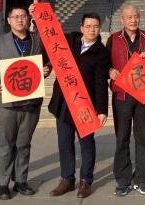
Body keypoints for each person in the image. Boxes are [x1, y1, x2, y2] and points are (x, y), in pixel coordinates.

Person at [0, 5, 50, 200]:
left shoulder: (38, 40)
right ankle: (2, 183)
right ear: (8, 20)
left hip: (31, 101)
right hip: (6, 102)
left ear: (28, 19)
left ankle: (21, 180)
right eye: (15, 17)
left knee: (24, 143)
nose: (20, 19)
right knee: (5, 143)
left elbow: (49, 60)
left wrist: (47, 69)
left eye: (23, 16)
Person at [48, 12, 109, 198]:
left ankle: (85, 181)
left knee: (87, 143)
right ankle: (67, 179)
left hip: (85, 105)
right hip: (63, 102)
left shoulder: (101, 52)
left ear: (100, 29)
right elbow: (50, 35)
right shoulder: (71, 40)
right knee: (64, 142)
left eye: (95, 27)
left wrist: (102, 110)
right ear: (81, 27)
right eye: (88, 26)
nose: (92, 30)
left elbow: (100, 82)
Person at [106, 4, 145, 197]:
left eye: (136, 16)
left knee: (143, 138)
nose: (133, 20)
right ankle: (123, 180)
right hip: (122, 96)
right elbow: (104, 62)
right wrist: (110, 71)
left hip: (143, 95)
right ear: (122, 20)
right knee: (122, 138)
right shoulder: (113, 39)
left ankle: (142, 179)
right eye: (129, 17)